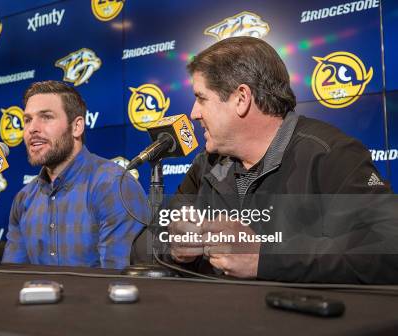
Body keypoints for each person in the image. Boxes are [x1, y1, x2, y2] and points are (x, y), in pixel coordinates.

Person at [167, 36, 397, 283]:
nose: (193, 113)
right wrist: (174, 245)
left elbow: (388, 246)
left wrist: (266, 258)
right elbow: (146, 243)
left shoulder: (331, 155)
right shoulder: (206, 165)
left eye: (201, 98)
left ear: (241, 99)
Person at [3, 80, 148, 269]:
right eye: (28, 120)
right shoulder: (23, 199)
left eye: (46, 117)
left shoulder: (114, 186)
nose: (32, 128)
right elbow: (12, 277)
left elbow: (117, 282)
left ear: (77, 127)